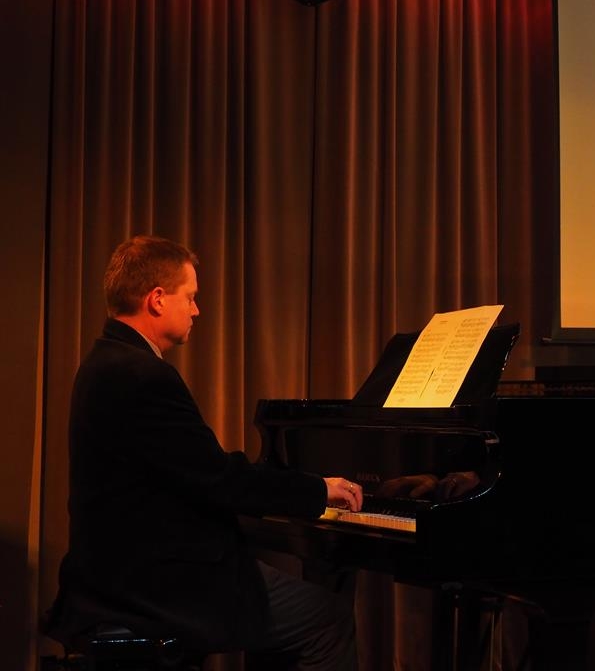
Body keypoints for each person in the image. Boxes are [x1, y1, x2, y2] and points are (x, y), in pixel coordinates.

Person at [44, 235, 363, 670]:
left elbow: (191, 476)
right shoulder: (142, 375)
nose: (197, 310)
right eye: (190, 297)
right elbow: (219, 479)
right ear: (158, 299)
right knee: (328, 618)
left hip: (117, 571)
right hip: (153, 584)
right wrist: (317, 490)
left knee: (279, 593)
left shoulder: (104, 362)